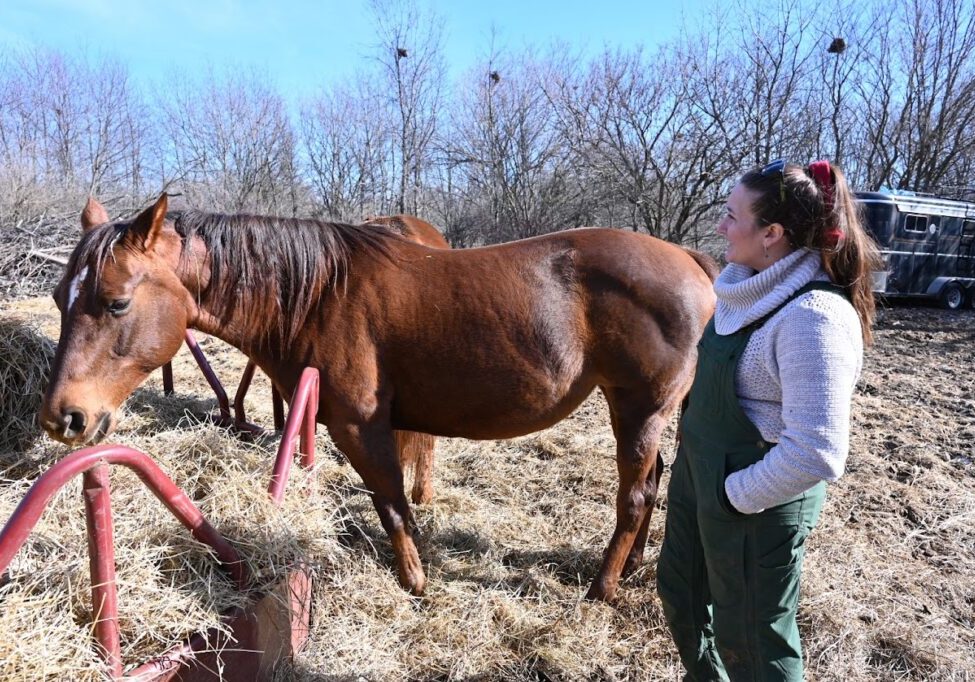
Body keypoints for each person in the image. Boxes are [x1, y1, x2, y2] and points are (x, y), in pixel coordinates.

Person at [656, 160, 881, 681]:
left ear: (772, 235)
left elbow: (817, 451)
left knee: (754, 637)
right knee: (681, 594)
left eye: (732, 216)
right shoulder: (741, 291)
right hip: (701, 479)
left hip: (756, 500)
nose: (720, 227)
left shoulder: (814, 318)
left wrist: (734, 495)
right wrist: (697, 480)